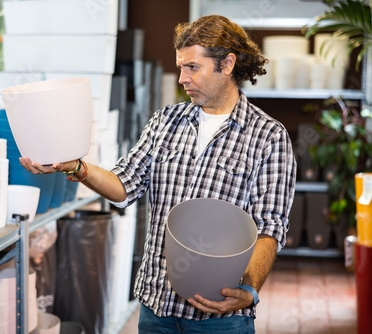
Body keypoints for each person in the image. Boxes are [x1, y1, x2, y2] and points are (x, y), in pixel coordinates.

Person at [20, 14, 296, 334]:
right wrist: (77, 167)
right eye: (181, 67)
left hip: (220, 318)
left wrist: (248, 290)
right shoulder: (165, 121)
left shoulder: (267, 136)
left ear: (227, 64)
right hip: (156, 310)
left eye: (192, 67)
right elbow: (124, 185)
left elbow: (269, 227)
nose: (181, 78)